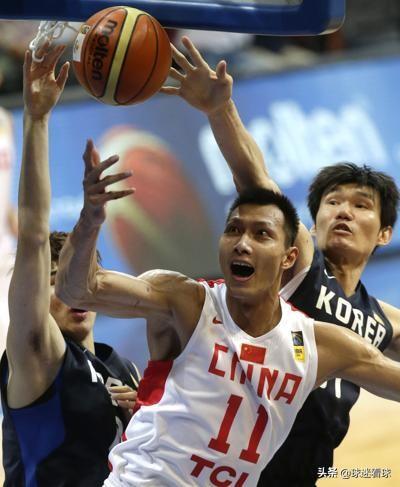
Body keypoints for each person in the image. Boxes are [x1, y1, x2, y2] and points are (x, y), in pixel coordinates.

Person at [55, 133, 400, 486]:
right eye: (233, 230)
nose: (242, 244)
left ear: (289, 258)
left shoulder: (319, 344)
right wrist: (90, 220)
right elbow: (77, 290)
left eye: (261, 234)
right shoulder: (184, 301)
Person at [160, 37, 400, 485]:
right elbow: (253, 178)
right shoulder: (300, 263)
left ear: (384, 234)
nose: (343, 212)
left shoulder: (383, 319)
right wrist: (220, 110)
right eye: (332, 202)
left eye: (361, 206)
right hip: (237, 461)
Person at [0, 44, 140, 487]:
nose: (71, 290)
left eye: (80, 278)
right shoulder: (40, 354)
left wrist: (149, 416)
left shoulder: (123, 368)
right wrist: (37, 119)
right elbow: (33, 235)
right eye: (55, 280)